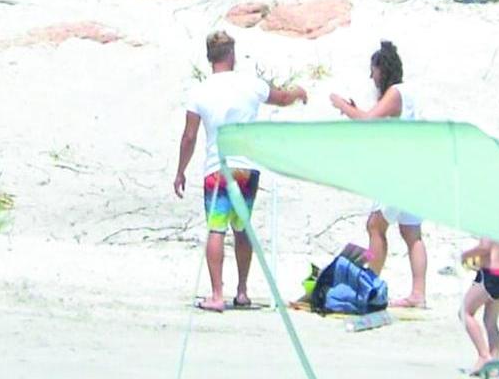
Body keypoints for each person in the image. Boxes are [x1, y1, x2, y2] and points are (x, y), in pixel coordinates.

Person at [174, 30, 308, 312]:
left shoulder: (199, 90)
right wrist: (298, 92)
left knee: (216, 227)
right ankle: (243, 291)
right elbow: (282, 98)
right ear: (232, 54)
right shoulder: (251, 83)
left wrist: (180, 171)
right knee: (242, 227)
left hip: (218, 167)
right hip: (248, 169)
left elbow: (189, 136)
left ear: (210, 58)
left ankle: (217, 294)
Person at [329, 40, 428, 308]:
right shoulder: (409, 93)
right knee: (412, 234)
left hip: (398, 172)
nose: (371, 77)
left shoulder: (395, 93)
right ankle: (418, 293)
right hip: (416, 170)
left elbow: (367, 120)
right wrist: (355, 109)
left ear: (381, 69)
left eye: (373, 71)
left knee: (375, 225)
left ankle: (370, 284)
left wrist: (342, 106)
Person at [460, 238, 499, 376]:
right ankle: (494, 365)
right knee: (490, 321)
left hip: (492, 274)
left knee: (465, 312)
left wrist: (465, 255)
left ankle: (484, 356)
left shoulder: (490, 223)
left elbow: (484, 247)